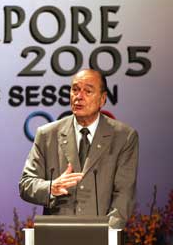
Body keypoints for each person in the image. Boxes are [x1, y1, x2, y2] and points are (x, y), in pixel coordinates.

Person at [19, 69, 139, 229]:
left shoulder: (124, 137)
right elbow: (26, 184)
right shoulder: (47, 135)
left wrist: (106, 233)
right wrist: (51, 187)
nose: (79, 96)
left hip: (101, 236)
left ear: (103, 99)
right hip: (57, 235)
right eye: (75, 90)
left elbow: (124, 196)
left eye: (88, 91)